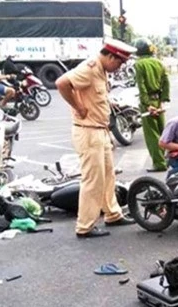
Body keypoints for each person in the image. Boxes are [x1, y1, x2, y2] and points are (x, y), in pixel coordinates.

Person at [55, 38, 136, 238]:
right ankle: (85, 226)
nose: (119, 68)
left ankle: (113, 214)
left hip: (100, 130)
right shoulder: (89, 68)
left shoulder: (101, 70)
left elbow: (95, 95)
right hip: (88, 131)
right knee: (93, 181)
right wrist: (78, 106)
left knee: (108, 176)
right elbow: (62, 83)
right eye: (119, 63)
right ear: (109, 56)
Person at [132, 37, 170, 172]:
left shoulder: (139, 64)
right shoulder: (158, 63)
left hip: (148, 103)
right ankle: (168, 159)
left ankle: (159, 163)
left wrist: (147, 104)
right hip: (159, 101)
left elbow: (141, 87)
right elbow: (166, 82)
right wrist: (163, 101)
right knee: (163, 132)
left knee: (152, 135)